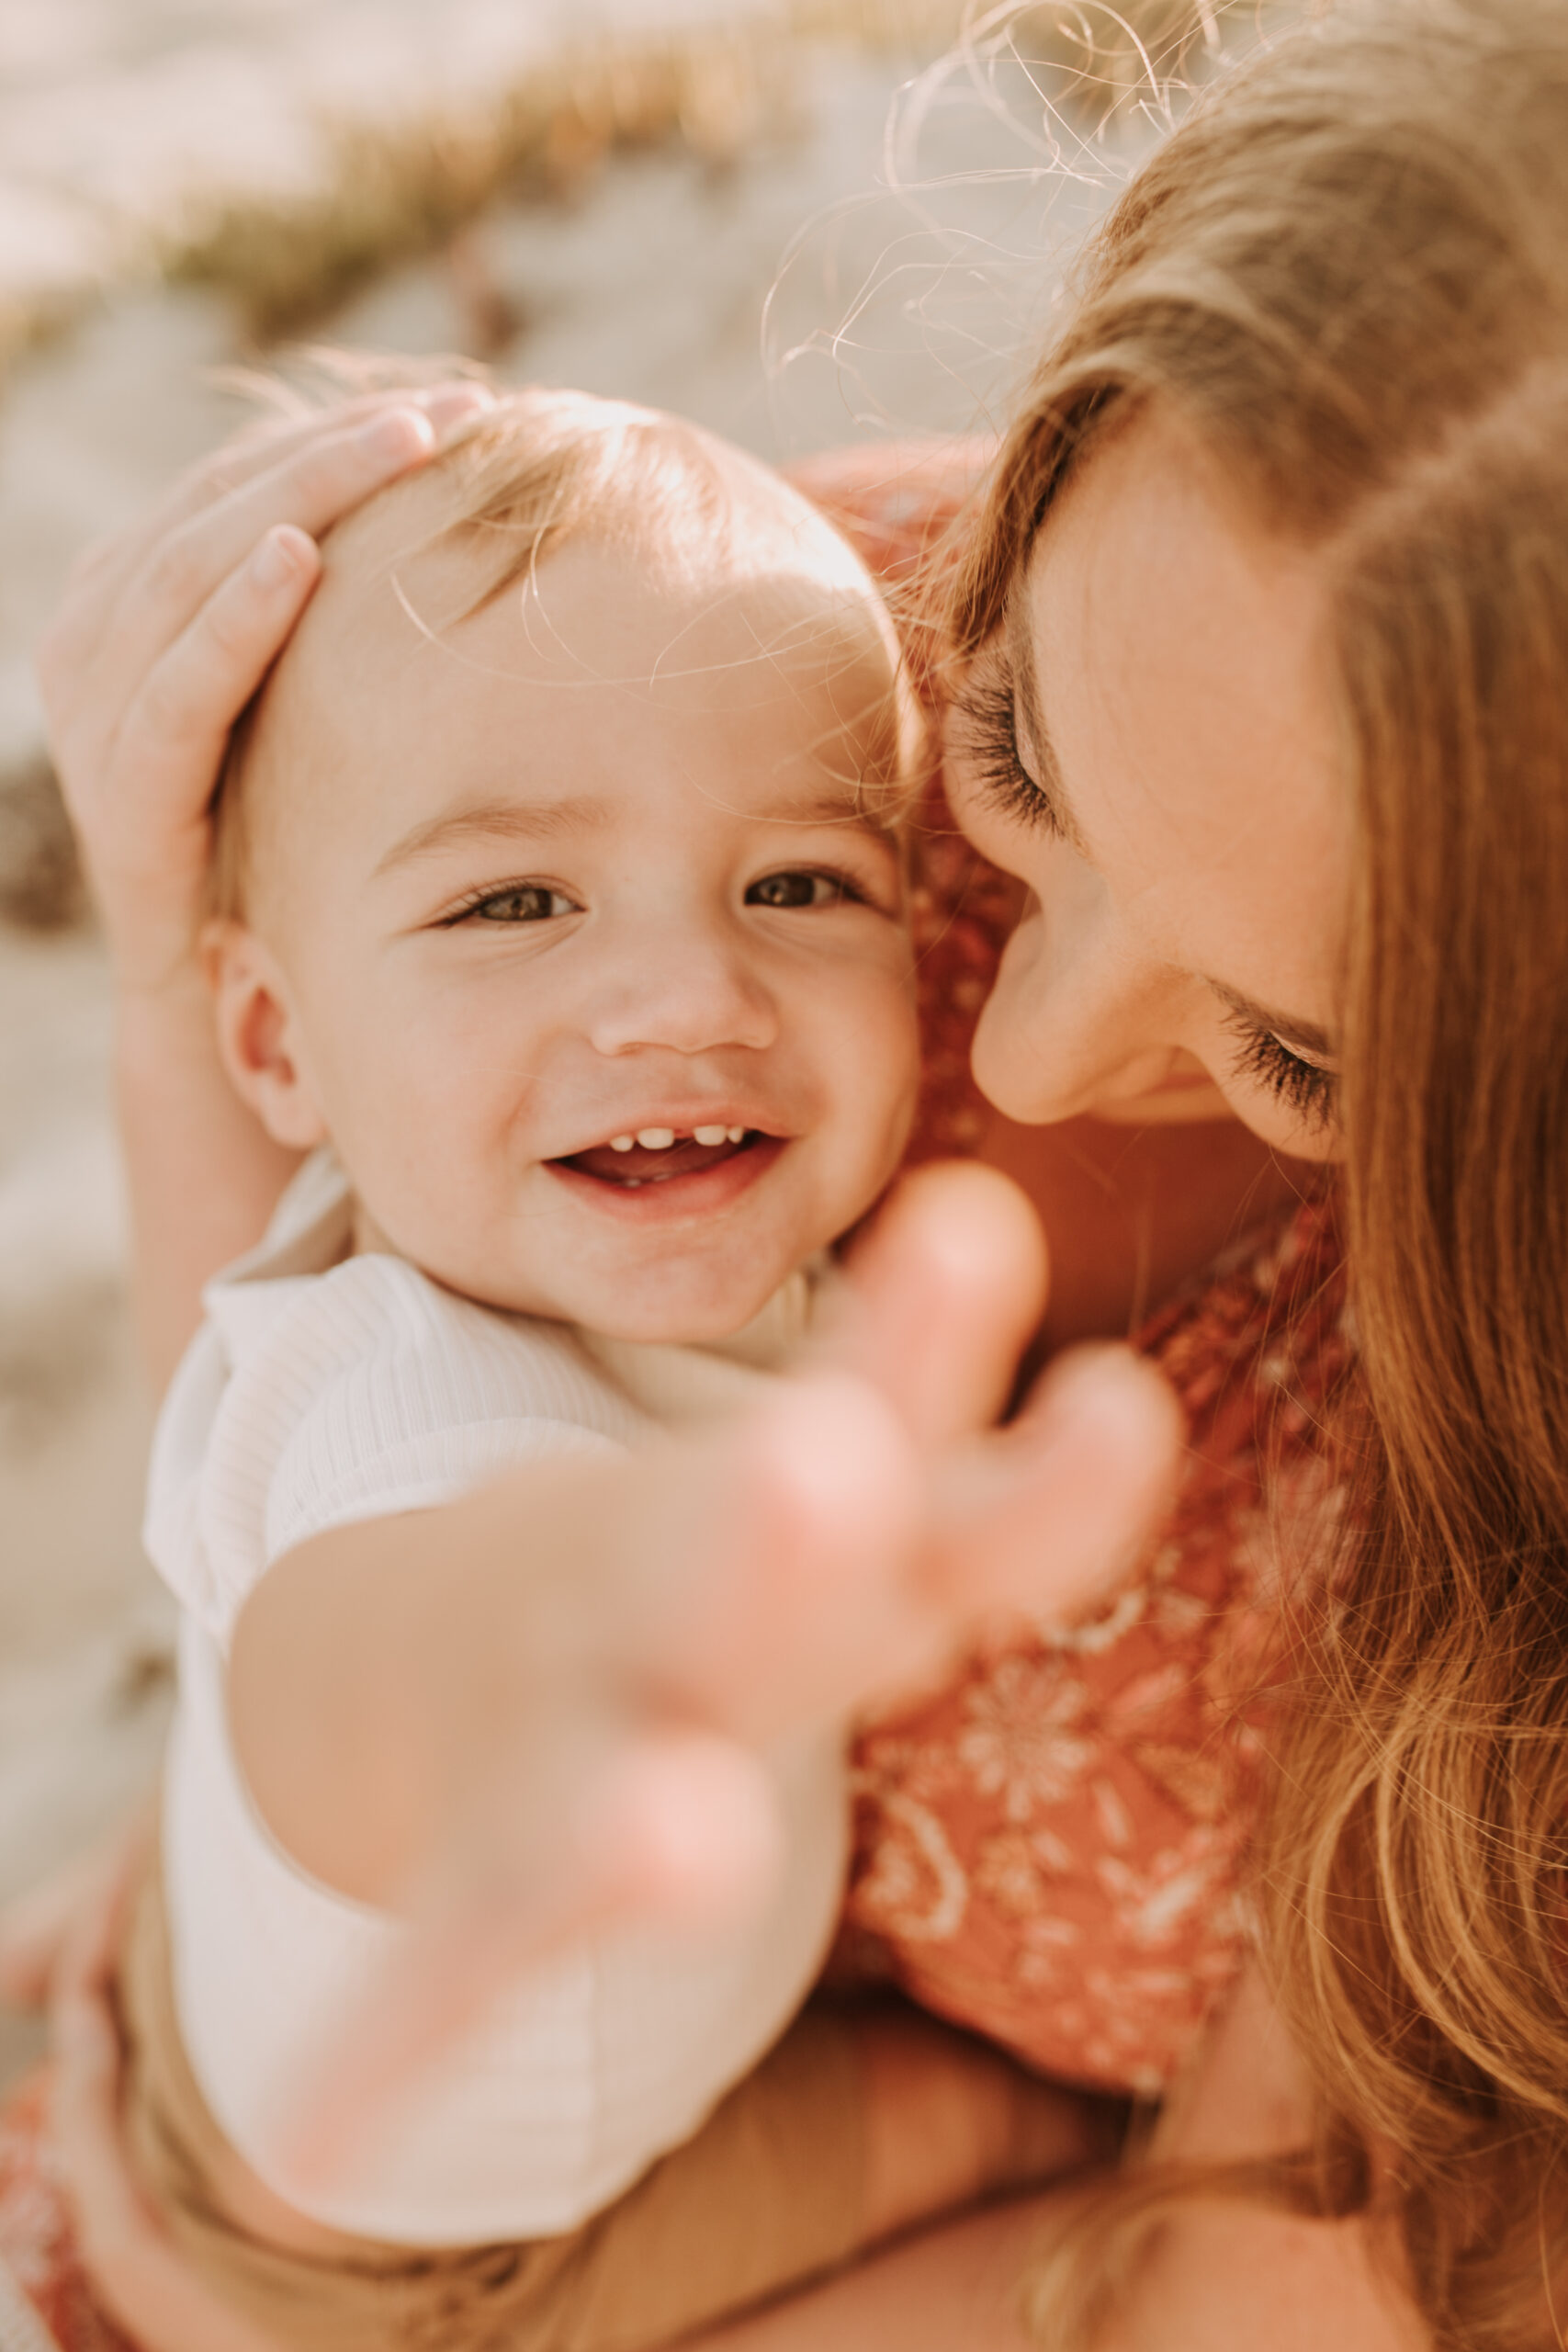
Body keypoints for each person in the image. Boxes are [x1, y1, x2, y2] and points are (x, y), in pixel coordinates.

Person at [10, 0, 1567, 2344]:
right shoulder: (760, 688)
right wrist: (175, 970)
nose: (1008, 1038)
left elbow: (1273, 2268)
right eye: (1018, 753)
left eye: (1289, 1037)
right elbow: (346, 1490)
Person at [95, 379, 1121, 2352]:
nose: (686, 990)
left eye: (797, 882)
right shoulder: (397, 1410)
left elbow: (186, 1311)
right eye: (511, 900)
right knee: (1019, 2137)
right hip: (405, 2267)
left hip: (387, 2032)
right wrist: (623, 1606)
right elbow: (395, 1625)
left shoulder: (470, 1201)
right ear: (278, 1044)